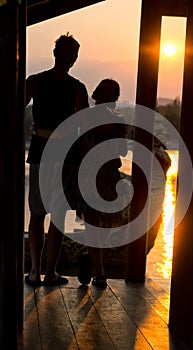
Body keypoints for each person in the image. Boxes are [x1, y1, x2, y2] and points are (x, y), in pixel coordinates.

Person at [25, 33, 89, 287]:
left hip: (41, 151)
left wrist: (37, 130)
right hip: (66, 156)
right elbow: (84, 126)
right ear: (73, 59)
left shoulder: (35, 82)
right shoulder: (77, 88)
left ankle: (34, 272)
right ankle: (50, 272)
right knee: (59, 216)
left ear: (54, 54)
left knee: (37, 214)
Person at [76, 79, 128, 288]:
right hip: (108, 176)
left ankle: (93, 263)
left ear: (97, 96)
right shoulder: (119, 120)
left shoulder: (87, 119)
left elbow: (82, 145)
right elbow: (123, 151)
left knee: (92, 224)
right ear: (115, 98)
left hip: (89, 174)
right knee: (103, 224)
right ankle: (98, 268)